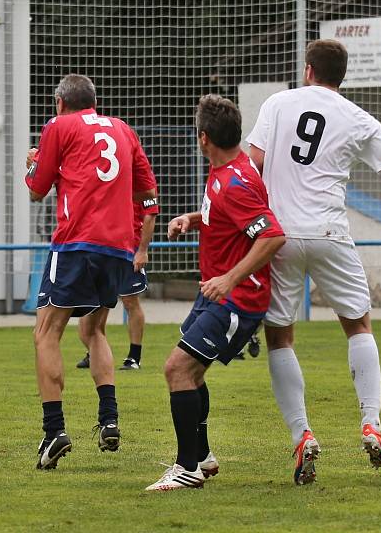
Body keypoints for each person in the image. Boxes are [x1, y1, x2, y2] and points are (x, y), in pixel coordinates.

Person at [246, 39, 381, 484]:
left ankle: (303, 436)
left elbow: (253, 164)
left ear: (307, 70)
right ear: (342, 76)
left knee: (280, 337)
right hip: (330, 233)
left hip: (279, 235)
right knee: (358, 326)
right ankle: (371, 424)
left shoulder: (279, 103)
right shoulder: (355, 116)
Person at [145, 95, 285, 492]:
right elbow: (231, 219)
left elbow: (272, 236)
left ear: (203, 138)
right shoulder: (226, 169)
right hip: (217, 294)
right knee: (192, 372)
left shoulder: (235, 182)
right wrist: (193, 218)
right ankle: (201, 457)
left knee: (177, 369)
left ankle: (186, 467)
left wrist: (230, 279)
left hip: (237, 299)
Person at [25, 74, 157, 470]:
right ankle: (109, 419)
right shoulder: (123, 129)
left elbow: (36, 190)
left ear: (61, 103)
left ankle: (53, 431)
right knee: (95, 330)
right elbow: (147, 192)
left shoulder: (57, 126)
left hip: (75, 244)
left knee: (46, 332)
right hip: (118, 248)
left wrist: (32, 165)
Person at [75, 200, 158, 371]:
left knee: (130, 302)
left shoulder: (140, 179)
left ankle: (134, 357)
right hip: (102, 248)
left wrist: (142, 250)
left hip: (129, 249)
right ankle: (96, 353)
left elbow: (150, 214)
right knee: (96, 304)